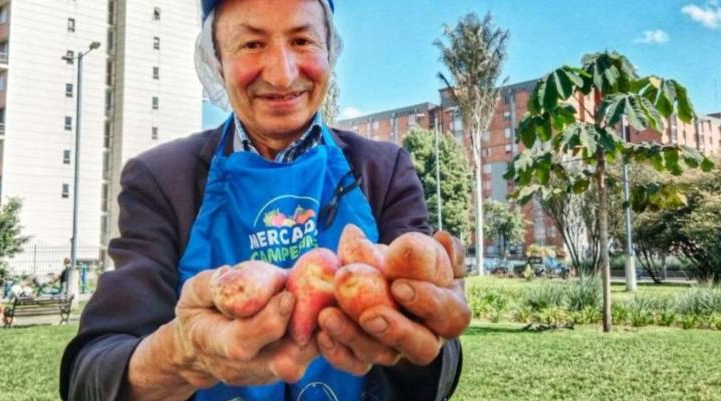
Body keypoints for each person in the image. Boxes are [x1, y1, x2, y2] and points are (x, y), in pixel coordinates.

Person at [59, 1, 471, 400]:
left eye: (302, 41)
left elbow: (437, 363)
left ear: (330, 51)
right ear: (217, 60)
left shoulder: (383, 169)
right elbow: (90, 376)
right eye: (252, 44)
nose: (281, 74)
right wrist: (185, 354)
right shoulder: (162, 180)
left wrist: (422, 329)